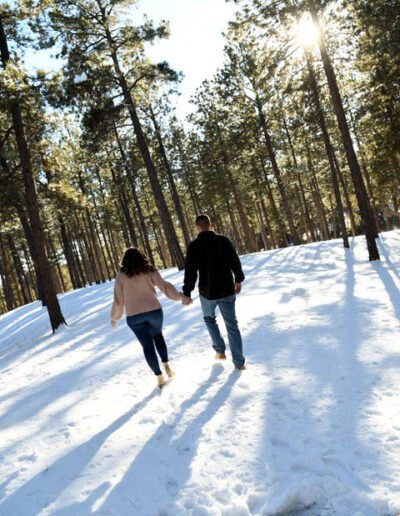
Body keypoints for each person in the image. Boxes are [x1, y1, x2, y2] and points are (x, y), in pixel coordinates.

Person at [111, 247, 191, 388]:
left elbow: (119, 300)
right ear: (142, 256)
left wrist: (115, 317)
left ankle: (159, 376)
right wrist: (181, 297)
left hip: (134, 317)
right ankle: (166, 366)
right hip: (154, 311)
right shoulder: (148, 270)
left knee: (147, 346)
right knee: (158, 336)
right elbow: (164, 287)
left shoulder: (121, 275)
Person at [182, 214, 246, 370]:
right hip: (226, 290)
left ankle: (220, 351)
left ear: (197, 227)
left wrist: (187, 292)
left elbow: (190, 272)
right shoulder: (223, 240)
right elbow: (234, 260)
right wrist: (238, 279)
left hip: (207, 292)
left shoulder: (194, 246)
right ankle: (239, 363)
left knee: (209, 319)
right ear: (210, 224)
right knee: (232, 325)